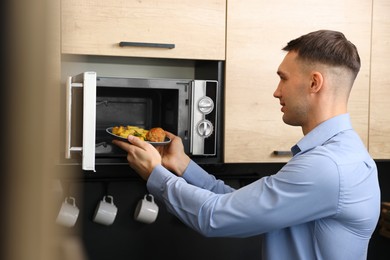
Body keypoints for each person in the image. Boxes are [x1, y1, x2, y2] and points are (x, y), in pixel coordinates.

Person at [113, 30, 381, 260]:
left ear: (314, 82)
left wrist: (155, 173)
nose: (277, 91)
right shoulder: (337, 155)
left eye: (283, 78)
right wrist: (183, 165)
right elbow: (233, 203)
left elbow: (214, 216)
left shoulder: (328, 166)